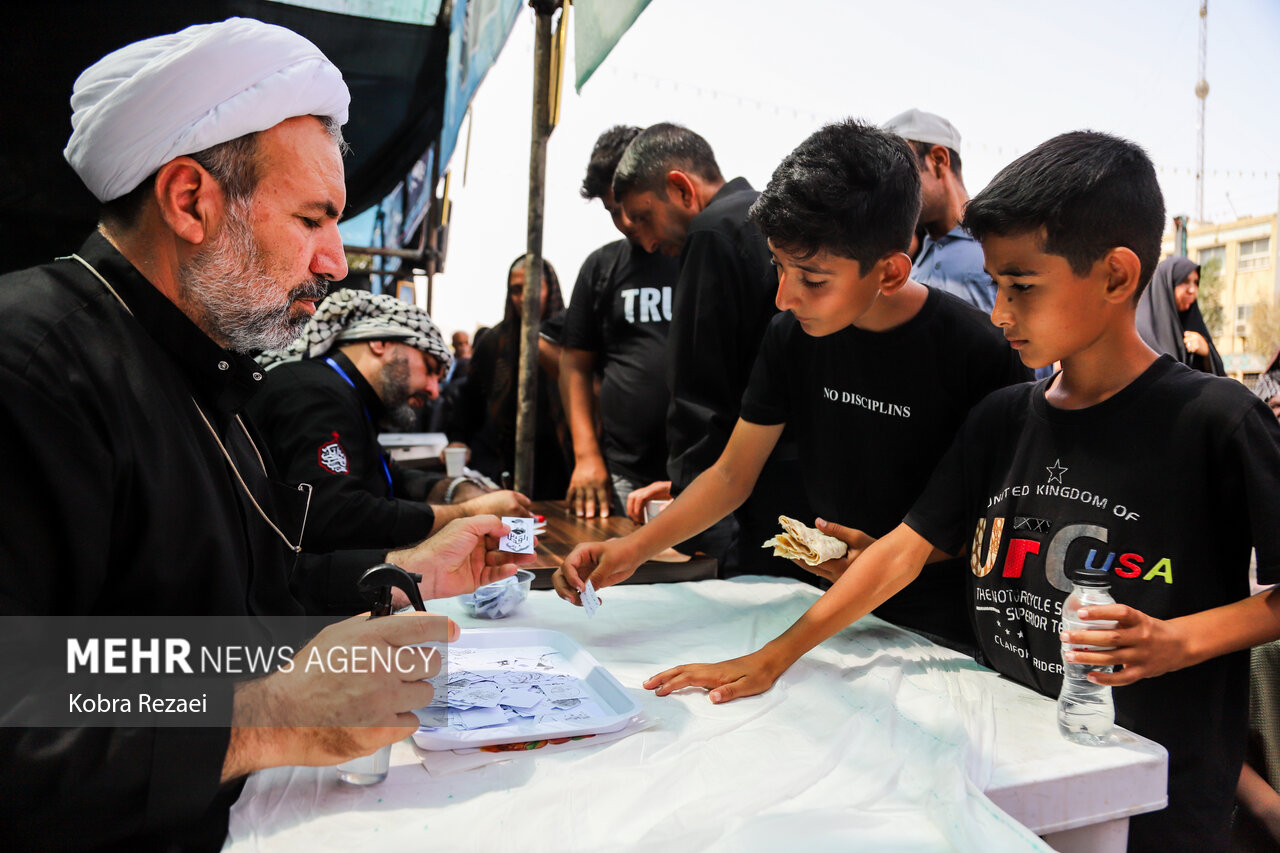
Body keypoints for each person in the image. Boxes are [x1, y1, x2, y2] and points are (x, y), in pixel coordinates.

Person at [642, 130, 1280, 853]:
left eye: (1022, 286)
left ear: (1115, 275)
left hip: (1157, 798)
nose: (999, 312)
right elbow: (902, 551)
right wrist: (774, 655)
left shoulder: (1216, 421)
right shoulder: (1001, 419)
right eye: (995, 284)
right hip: (1013, 770)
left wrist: (1179, 639)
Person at [0, 19, 534, 849]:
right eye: (314, 218)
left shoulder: (201, 363)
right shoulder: (29, 367)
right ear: (190, 202)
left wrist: (397, 570)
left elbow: (220, 619)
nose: (336, 262)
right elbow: (28, 687)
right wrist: (259, 718)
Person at [555, 120, 1029, 650]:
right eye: (778, 267)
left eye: (813, 279)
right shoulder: (792, 335)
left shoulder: (980, 354)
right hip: (815, 604)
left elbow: (997, 523)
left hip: (934, 624)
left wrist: (906, 552)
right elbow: (733, 473)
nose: (784, 296)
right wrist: (632, 549)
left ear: (890, 273)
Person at [612, 122, 812, 578]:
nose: (644, 240)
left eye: (643, 217)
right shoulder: (765, 220)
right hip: (796, 481)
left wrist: (691, 503)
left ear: (681, 188)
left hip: (747, 502)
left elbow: (699, 395)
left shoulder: (712, 231)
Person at [247, 288, 531, 553]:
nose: (434, 391)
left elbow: (385, 473)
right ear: (380, 342)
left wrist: (458, 490)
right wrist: (466, 514)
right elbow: (336, 516)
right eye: (430, 369)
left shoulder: (344, 392)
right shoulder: (315, 392)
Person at [560, 125, 681, 518]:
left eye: (633, 207)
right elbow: (574, 366)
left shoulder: (702, 255)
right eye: (614, 211)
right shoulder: (602, 267)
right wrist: (586, 456)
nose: (627, 221)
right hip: (623, 474)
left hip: (701, 473)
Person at [450, 254, 572, 499]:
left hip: (564, 464)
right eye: (516, 290)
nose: (525, 298)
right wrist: (458, 440)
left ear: (551, 288)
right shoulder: (494, 342)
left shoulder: (574, 340)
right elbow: (468, 401)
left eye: (533, 287)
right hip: (504, 464)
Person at [883, 109, 994, 314]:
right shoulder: (911, 266)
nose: (892, 188)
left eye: (902, 173)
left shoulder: (996, 242)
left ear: (938, 160)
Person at [1137, 255, 1226, 376]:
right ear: (1167, 285)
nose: (1193, 290)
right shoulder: (1139, 332)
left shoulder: (1194, 326)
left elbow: (1218, 380)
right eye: (1185, 281)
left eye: (1196, 282)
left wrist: (1207, 354)